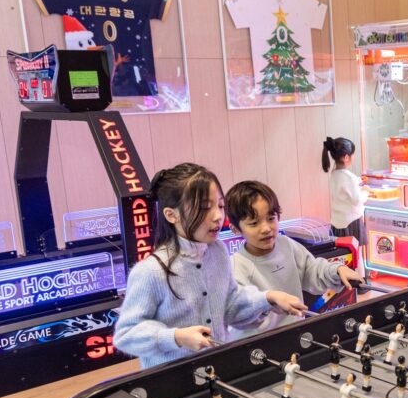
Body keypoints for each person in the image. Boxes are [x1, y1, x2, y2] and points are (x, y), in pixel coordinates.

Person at [114, 163, 305, 369]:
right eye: (205, 208)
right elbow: (126, 334)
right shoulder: (150, 271)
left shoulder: (217, 251)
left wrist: (268, 298)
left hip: (218, 370)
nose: (217, 216)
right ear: (171, 215)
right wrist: (177, 337)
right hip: (171, 381)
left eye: (220, 206)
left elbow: (231, 305)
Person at [226, 180, 362, 337]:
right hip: (257, 343)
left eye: (271, 218)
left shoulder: (286, 245)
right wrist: (269, 300)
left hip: (295, 333)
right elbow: (240, 311)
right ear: (236, 229)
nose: (266, 228)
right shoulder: (237, 266)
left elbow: (312, 269)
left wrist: (338, 270)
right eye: (254, 223)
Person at [323, 136, 368, 273]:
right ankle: (359, 283)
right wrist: (365, 191)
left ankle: (345, 285)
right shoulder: (349, 178)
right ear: (346, 157)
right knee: (356, 255)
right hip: (351, 222)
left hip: (337, 222)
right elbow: (357, 200)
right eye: (352, 154)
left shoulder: (334, 174)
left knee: (343, 256)